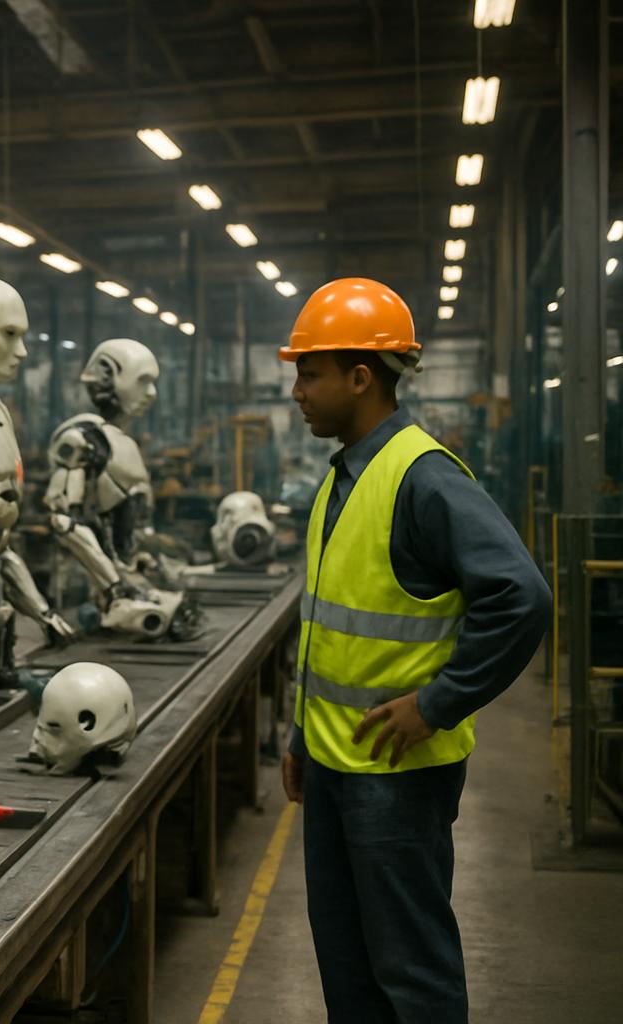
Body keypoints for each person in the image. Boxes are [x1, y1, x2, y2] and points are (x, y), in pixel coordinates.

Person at [278, 277, 551, 1023]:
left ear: (361, 377)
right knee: (347, 961)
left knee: (412, 971)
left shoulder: (423, 479)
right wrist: (303, 733)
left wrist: (437, 704)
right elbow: (335, 629)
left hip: (397, 778)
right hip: (336, 765)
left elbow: (522, 597)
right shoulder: (341, 478)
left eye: (310, 372)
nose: (297, 391)